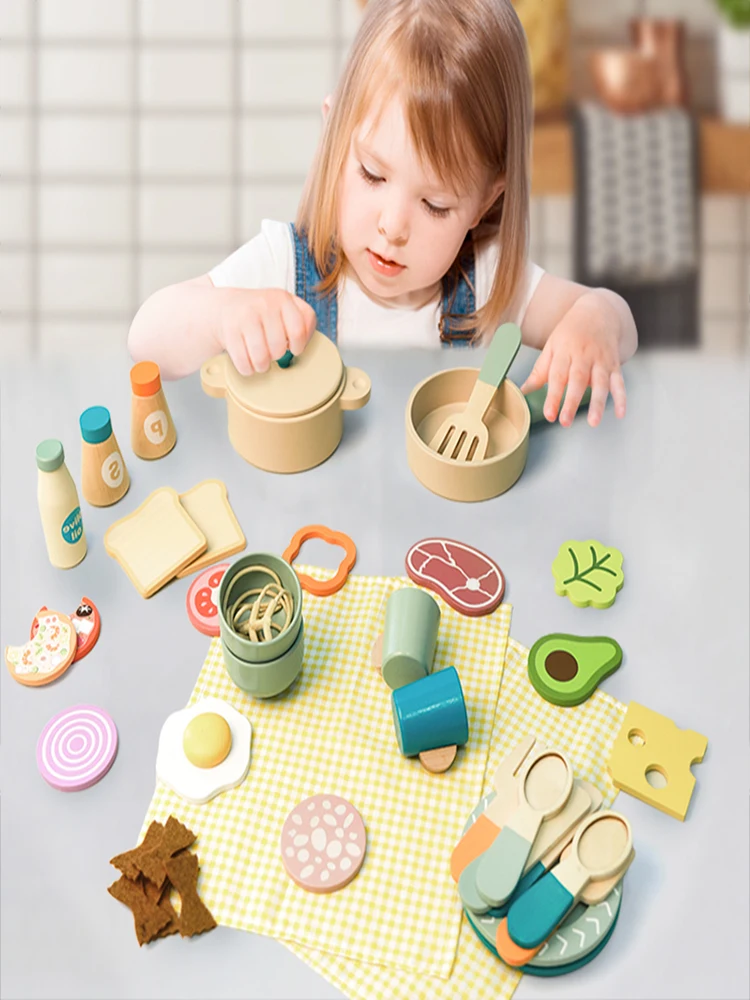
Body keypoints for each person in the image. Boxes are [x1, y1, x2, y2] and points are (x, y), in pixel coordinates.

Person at [128, 0, 637, 428]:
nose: (393, 227)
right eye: (373, 174)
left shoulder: (485, 281)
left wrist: (595, 323)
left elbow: (615, 319)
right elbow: (148, 338)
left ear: (485, 201)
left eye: (435, 205)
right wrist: (223, 315)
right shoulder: (286, 266)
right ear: (332, 135)